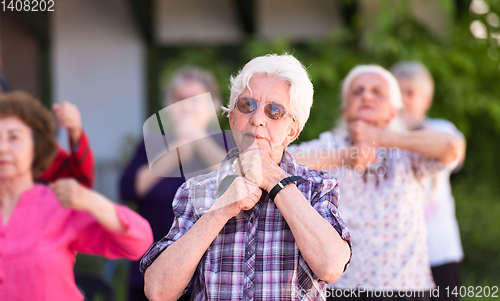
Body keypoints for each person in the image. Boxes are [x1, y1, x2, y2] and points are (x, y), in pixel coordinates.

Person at [139, 54, 352, 301]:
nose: (257, 119)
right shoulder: (197, 189)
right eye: (246, 105)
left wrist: (276, 182)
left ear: (292, 131)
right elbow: (158, 291)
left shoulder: (317, 187)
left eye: (274, 111)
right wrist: (219, 211)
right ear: (232, 118)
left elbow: (332, 266)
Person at [289, 65, 462, 300]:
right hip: (340, 289)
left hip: (407, 289)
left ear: (393, 110)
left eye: (377, 92)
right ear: (345, 108)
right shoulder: (330, 146)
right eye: (357, 91)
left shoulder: (407, 151)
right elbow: (277, 163)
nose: (366, 96)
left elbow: (452, 148)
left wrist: (383, 138)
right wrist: (343, 157)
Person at [0, 91, 153, 301]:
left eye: (14, 137)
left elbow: (139, 241)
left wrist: (91, 201)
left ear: (36, 147)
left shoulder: (58, 205)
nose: (2, 148)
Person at [120, 67, 227, 301]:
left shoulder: (225, 142)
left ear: (213, 106)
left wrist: (198, 140)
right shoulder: (152, 143)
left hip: (211, 279)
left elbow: (235, 180)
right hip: (150, 273)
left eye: (195, 100)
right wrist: (174, 150)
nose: (186, 106)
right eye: (179, 98)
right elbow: (127, 189)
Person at [391, 61, 466, 301]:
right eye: (396, 92)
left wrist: (408, 131)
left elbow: (455, 151)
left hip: (439, 249)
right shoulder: (379, 138)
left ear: (427, 98)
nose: (402, 99)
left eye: (410, 92)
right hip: (397, 255)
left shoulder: (441, 129)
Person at [0, 72, 95, 188]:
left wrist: (75, 133)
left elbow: (79, 180)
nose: (3, 148)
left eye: (13, 137)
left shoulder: (30, 152)